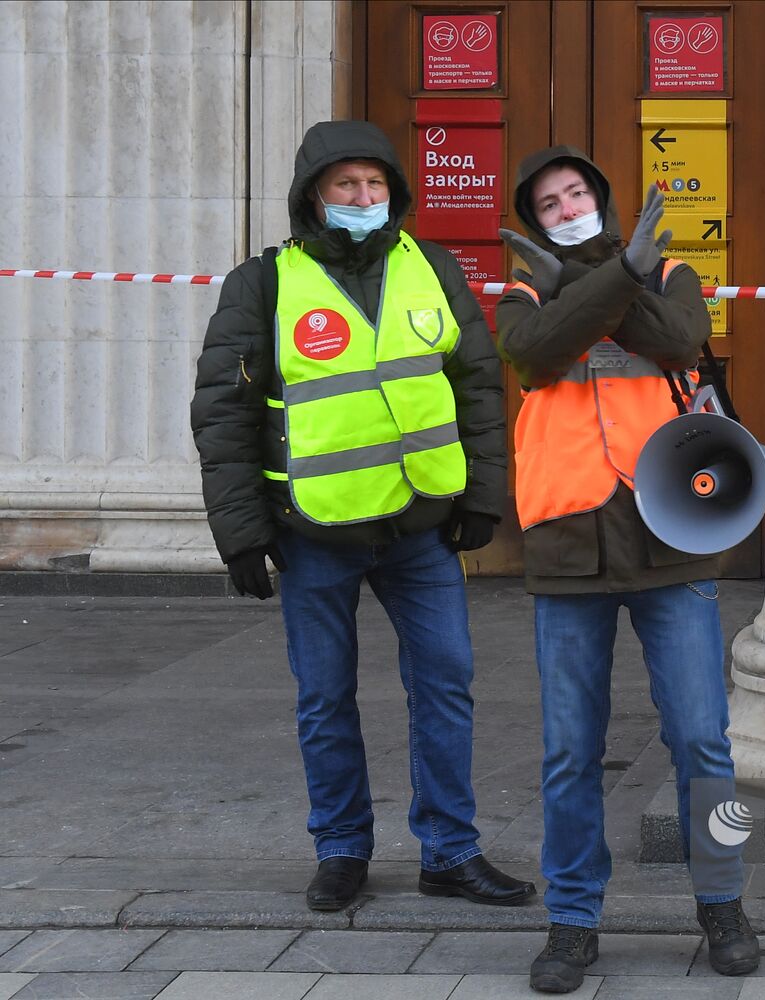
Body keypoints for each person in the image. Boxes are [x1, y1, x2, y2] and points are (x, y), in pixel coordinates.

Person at [190, 120, 534, 914]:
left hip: (420, 528)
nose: (363, 198)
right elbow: (223, 410)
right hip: (315, 531)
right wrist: (240, 532)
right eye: (346, 184)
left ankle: (450, 850)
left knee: (447, 685)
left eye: (375, 185)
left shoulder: (434, 267)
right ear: (315, 193)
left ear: (395, 193)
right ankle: (341, 848)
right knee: (324, 698)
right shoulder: (264, 283)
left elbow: (477, 385)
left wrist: (483, 495)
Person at [495, 146, 759, 994]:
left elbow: (682, 337)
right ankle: (573, 922)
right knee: (571, 749)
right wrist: (613, 283)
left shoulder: (672, 270)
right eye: (549, 202)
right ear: (533, 220)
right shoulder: (522, 286)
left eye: (576, 194)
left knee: (701, 739)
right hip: (569, 539)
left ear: (602, 200)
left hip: (669, 532)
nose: (566, 207)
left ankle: (723, 902)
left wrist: (615, 279)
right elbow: (533, 355)